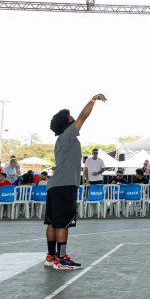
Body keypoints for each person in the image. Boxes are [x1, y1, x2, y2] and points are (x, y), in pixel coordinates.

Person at [45, 93, 106, 270]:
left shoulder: (61, 140)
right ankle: (61, 259)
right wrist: (93, 100)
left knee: (52, 223)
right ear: (67, 122)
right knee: (63, 223)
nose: (73, 118)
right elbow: (83, 116)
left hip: (54, 186)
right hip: (65, 186)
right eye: (70, 116)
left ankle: (51, 256)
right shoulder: (68, 135)